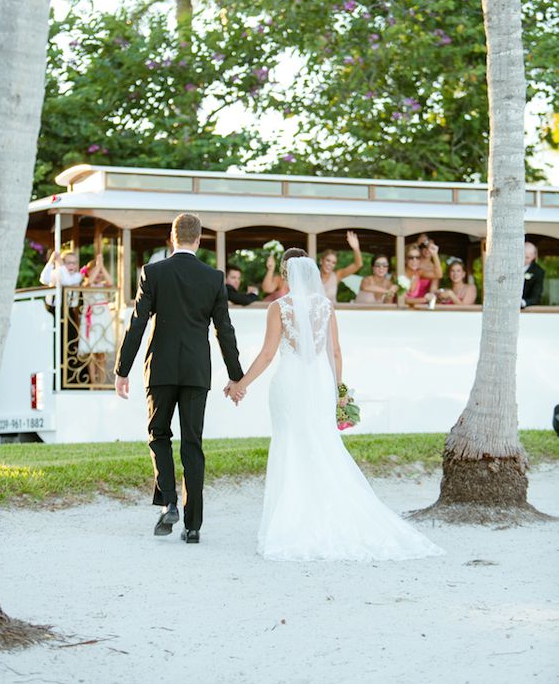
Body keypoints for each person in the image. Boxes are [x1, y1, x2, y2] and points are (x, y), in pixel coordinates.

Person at [227, 248, 444, 562]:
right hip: (318, 382)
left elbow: (267, 354)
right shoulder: (326, 307)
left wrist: (241, 385)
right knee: (321, 442)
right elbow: (336, 352)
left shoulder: (278, 308)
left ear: (286, 274)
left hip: (289, 382)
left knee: (291, 445)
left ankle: (291, 520)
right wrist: (337, 389)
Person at [114, 212, 243, 543]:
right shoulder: (214, 278)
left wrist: (122, 370)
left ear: (172, 239)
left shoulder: (153, 273)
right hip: (197, 370)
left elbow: (138, 322)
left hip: (161, 368)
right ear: (199, 240)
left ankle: (169, 501)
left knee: (158, 435)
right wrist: (236, 376)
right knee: (192, 444)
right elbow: (224, 330)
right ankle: (194, 525)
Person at [39, 250, 85, 385]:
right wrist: (51, 262)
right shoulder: (58, 271)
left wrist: (60, 266)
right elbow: (44, 278)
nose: (71, 265)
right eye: (68, 262)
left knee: (67, 345)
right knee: (52, 344)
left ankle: (67, 379)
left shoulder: (77, 277)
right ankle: (52, 378)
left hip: (68, 313)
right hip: (52, 311)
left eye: (74, 263)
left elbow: (66, 280)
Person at [78, 254, 116, 385]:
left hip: (103, 317)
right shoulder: (86, 284)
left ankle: (102, 380)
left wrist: (102, 267)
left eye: (100, 272)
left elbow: (111, 282)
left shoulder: (103, 285)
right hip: (92, 317)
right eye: (95, 271)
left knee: (102, 353)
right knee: (92, 352)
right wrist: (97, 265)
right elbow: (90, 281)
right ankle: (94, 382)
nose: (99, 274)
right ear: (88, 273)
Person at [319, 231, 363, 301]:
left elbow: (358, 265)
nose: (330, 264)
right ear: (321, 261)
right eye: (328, 260)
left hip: (332, 311)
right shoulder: (312, 276)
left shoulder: (337, 276)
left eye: (333, 262)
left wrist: (356, 248)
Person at [522, 241, 545, 308]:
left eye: (527, 257)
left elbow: (536, 296)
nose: (523, 259)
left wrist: (523, 302)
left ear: (533, 256)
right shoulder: (510, 267)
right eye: (522, 255)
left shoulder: (538, 272)